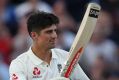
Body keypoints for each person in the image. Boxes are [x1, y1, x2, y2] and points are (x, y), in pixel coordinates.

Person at [9, 11, 90, 80]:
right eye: (49, 32)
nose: (55, 35)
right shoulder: (19, 64)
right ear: (34, 35)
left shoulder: (66, 57)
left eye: (55, 31)